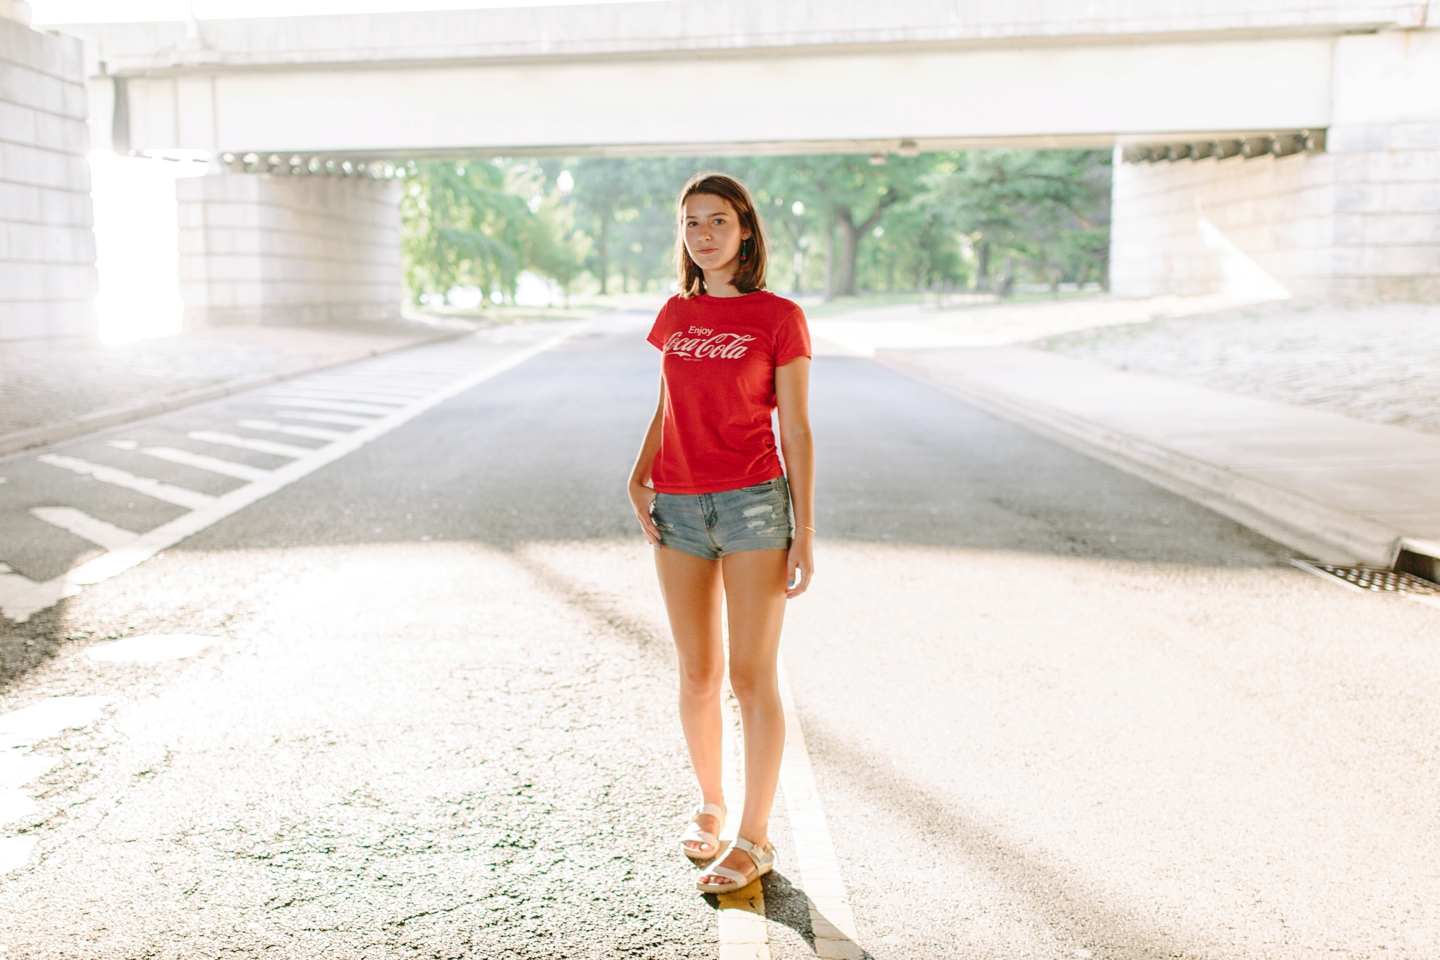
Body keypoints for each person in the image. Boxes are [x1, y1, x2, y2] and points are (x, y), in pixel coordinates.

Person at [628, 172, 815, 894]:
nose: (703, 235)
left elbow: (795, 426)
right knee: (698, 673)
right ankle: (709, 802)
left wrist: (805, 527)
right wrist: (637, 474)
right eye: (691, 223)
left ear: (745, 230)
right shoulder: (676, 314)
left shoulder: (779, 317)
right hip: (678, 506)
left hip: (752, 505)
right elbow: (668, 403)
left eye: (717, 221)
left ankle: (755, 837)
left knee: (749, 676)